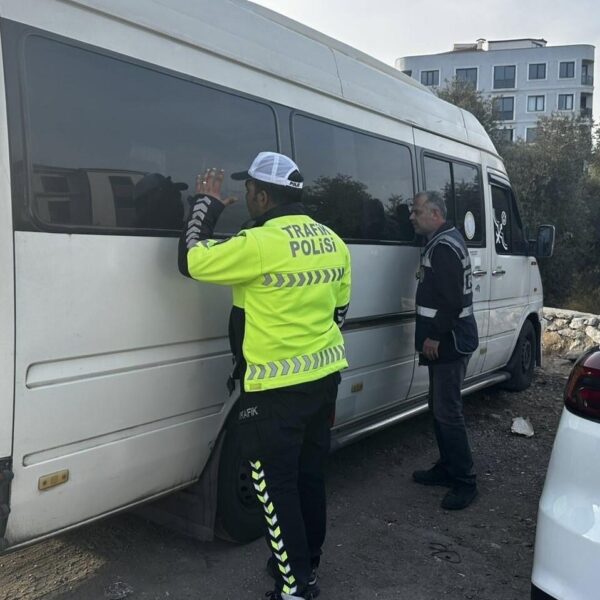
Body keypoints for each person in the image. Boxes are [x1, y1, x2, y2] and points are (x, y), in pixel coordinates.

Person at [178, 152, 351, 600]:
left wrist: (205, 204)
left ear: (259, 194)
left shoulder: (258, 242)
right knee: (310, 476)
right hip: (325, 378)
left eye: (249, 191)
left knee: (273, 489)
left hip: (275, 391)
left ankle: (294, 589)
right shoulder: (332, 241)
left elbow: (193, 260)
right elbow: (339, 310)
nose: (248, 198)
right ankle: (307, 562)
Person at [409, 191, 479, 510]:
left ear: (435, 214)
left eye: (417, 211)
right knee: (438, 408)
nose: (412, 216)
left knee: (447, 412)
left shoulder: (444, 248)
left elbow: (451, 302)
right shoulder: (443, 240)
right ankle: (447, 468)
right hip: (447, 341)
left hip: (450, 342)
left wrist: (435, 335)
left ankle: (465, 481)